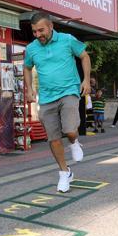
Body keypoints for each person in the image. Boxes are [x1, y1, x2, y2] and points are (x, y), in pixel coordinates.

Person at [24, 12, 91, 193]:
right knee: (53, 139)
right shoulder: (32, 48)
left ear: (51, 26)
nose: (38, 35)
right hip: (46, 98)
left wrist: (86, 80)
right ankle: (64, 172)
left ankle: (74, 142)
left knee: (69, 130)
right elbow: (27, 67)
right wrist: (29, 88)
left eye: (41, 30)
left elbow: (84, 56)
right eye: (34, 31)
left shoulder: (67, 40)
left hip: (69, 91)